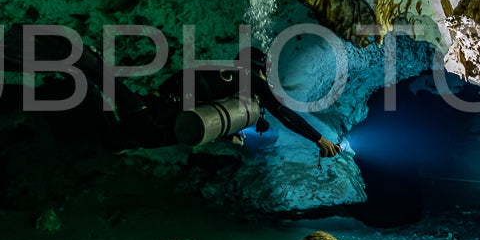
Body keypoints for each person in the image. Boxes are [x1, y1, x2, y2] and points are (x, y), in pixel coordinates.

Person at [102, 45, 343, 158]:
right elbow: (283, 112)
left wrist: (229, 134)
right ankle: (92, 64)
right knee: (123, 133)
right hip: (164, 123)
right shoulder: (248, 77)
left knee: (111, 134)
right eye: (265, 74)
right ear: (258, 69)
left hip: (157, 107)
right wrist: (319, 139)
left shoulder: (224, 74)